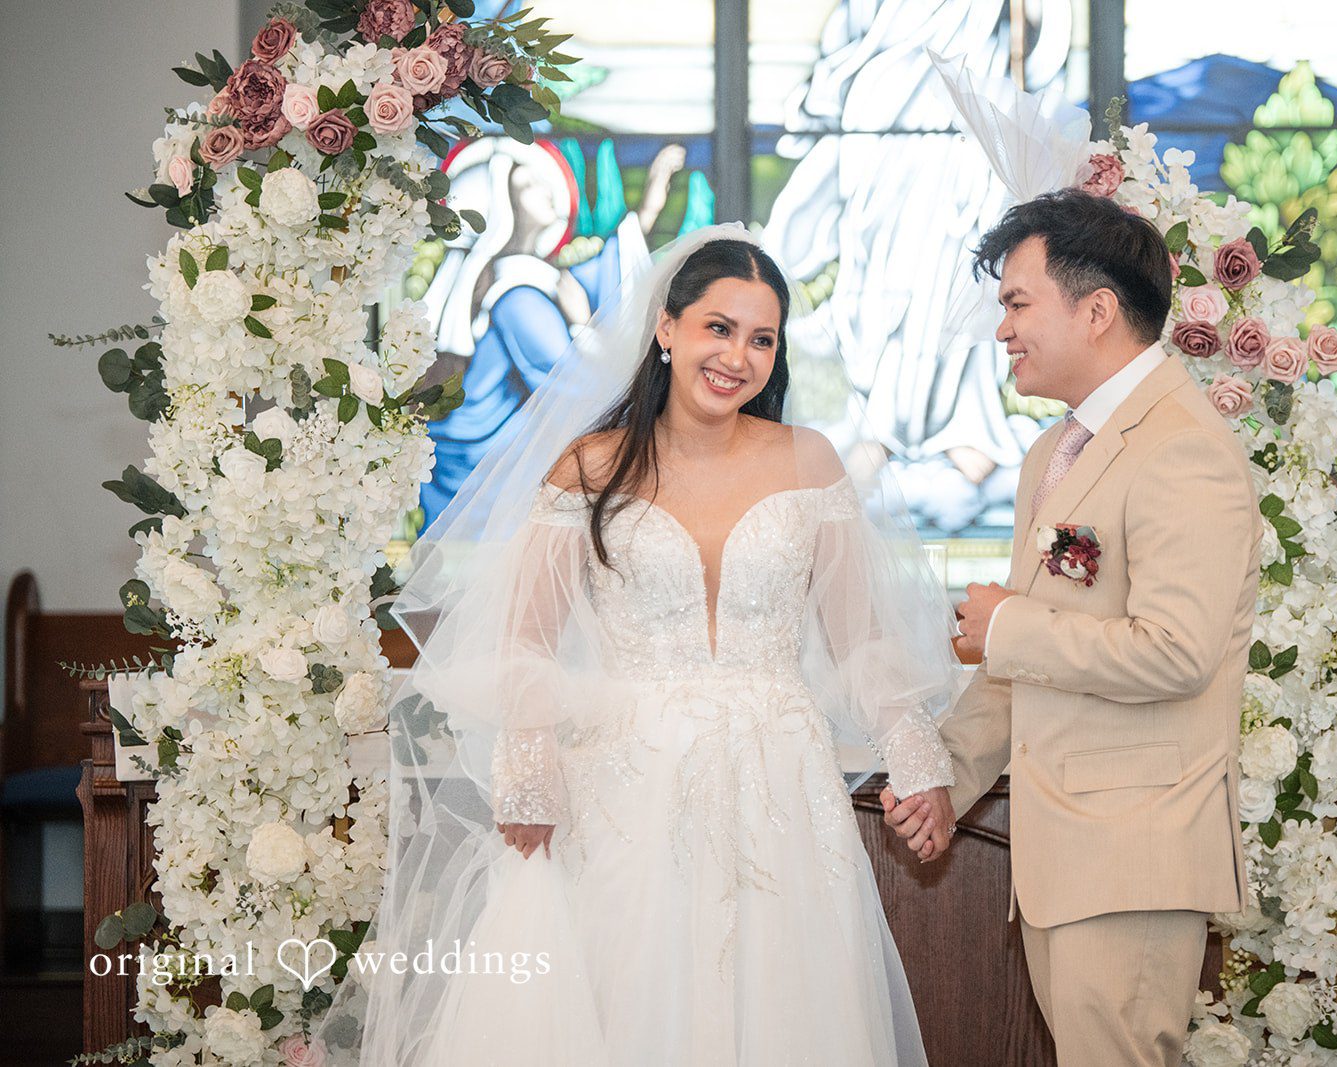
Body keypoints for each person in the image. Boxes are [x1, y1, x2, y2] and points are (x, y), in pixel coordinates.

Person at [317, 225, 960, 1065]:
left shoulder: (809, 463)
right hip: (630, 786)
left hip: (782, 787)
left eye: (762, 338)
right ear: (667, 328)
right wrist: (528, 777)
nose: (737, 355)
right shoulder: (589, 466)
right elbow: (524, 646)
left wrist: (919, 760)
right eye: (718, 327)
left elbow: (862, 639)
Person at [881, 190, 1259, 1066]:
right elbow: (1032, 659)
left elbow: (1177, 650)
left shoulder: (1181, 447)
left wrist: (1008, 625)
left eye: (1017, 303)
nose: (1002, 329)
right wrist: (947, 775)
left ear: (1096, 311)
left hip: (1134, 848)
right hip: (1067, 857)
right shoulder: (1057, 452)